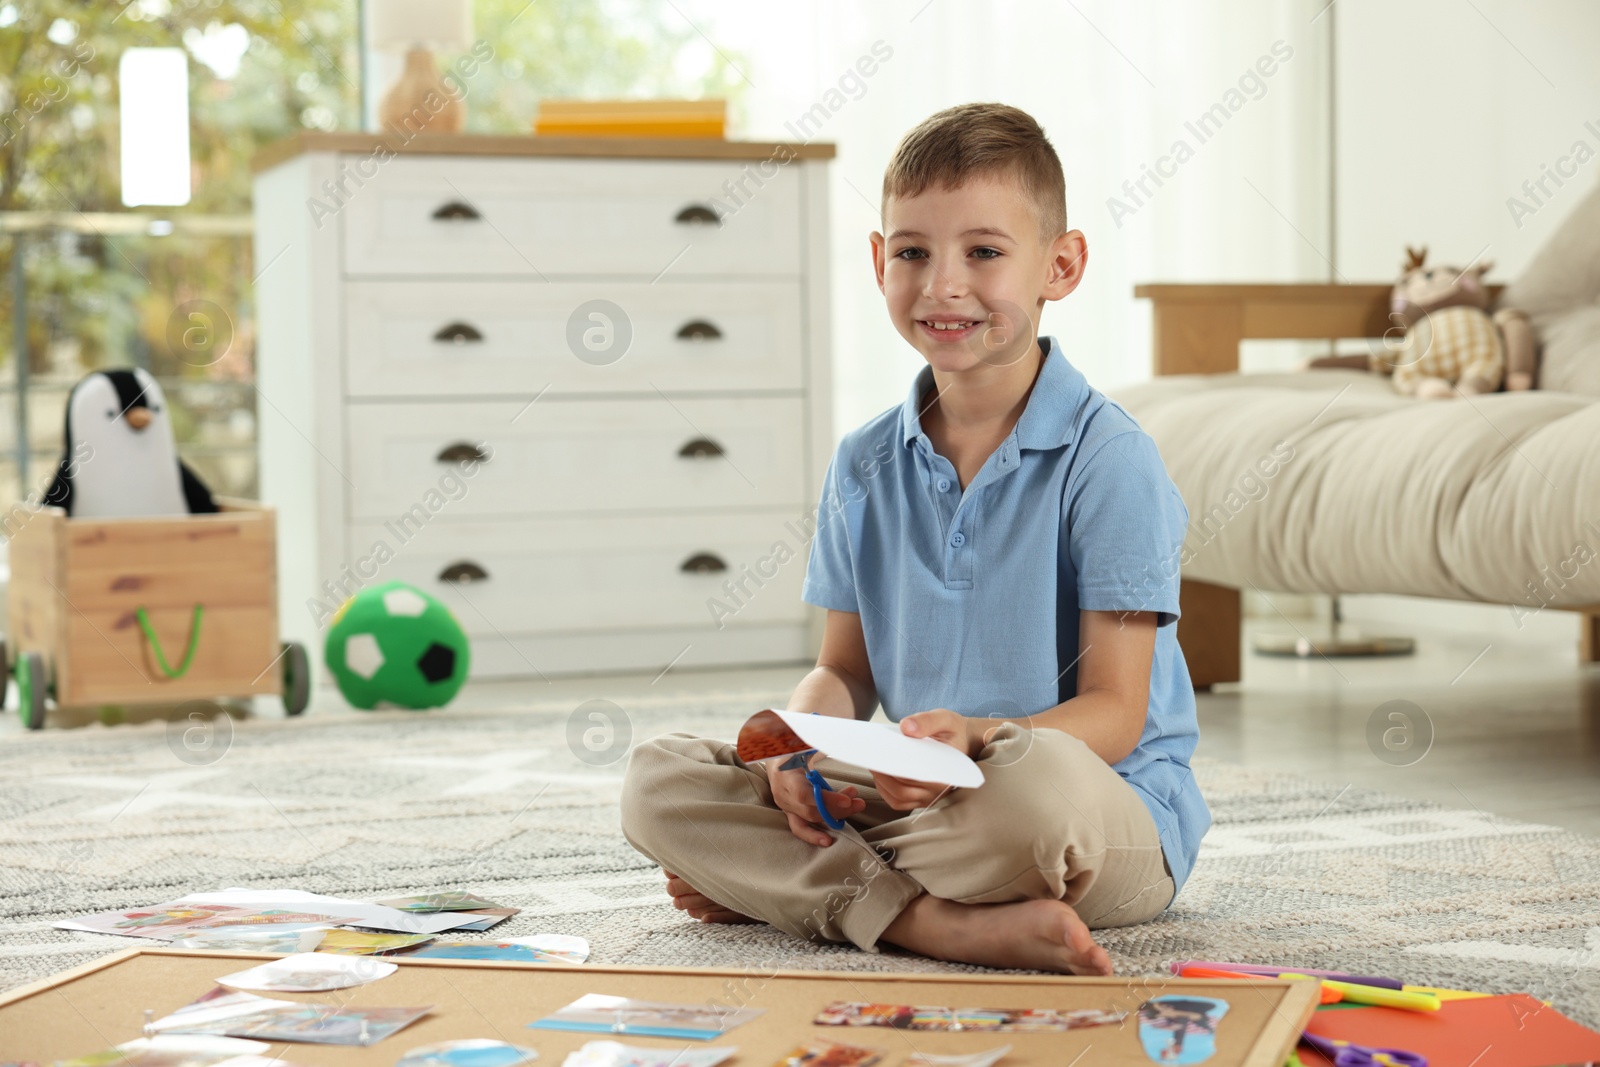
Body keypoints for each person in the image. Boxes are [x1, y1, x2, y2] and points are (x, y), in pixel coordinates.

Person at [621, 102, 1209, 975]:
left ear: (1061, 264)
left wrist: (975, 739)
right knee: (657, 781)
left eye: (983, 251)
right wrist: (799, 743)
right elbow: (845, 671)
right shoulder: (863, 460)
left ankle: (804, 886)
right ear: (878, 260)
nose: (943, 285)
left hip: (1088, 808)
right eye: (912, 252)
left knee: (1028, 804)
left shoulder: (1110, 459)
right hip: (916, 798)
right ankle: (931, 924)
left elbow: (1118, 716)